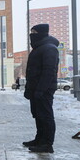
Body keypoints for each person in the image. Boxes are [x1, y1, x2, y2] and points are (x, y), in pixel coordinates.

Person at [23, 24, 59, 153]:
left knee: (45, 115)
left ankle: (47, 144)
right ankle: (39, 139)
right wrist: (29, 88)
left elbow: (49, 71)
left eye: (34, 32)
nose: (32, 35)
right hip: (35, 88)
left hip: (44, 89)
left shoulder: (49, 48)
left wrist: (41, 90)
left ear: (42, 33)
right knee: (38, 115)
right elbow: (32, 71)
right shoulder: (39, 48)